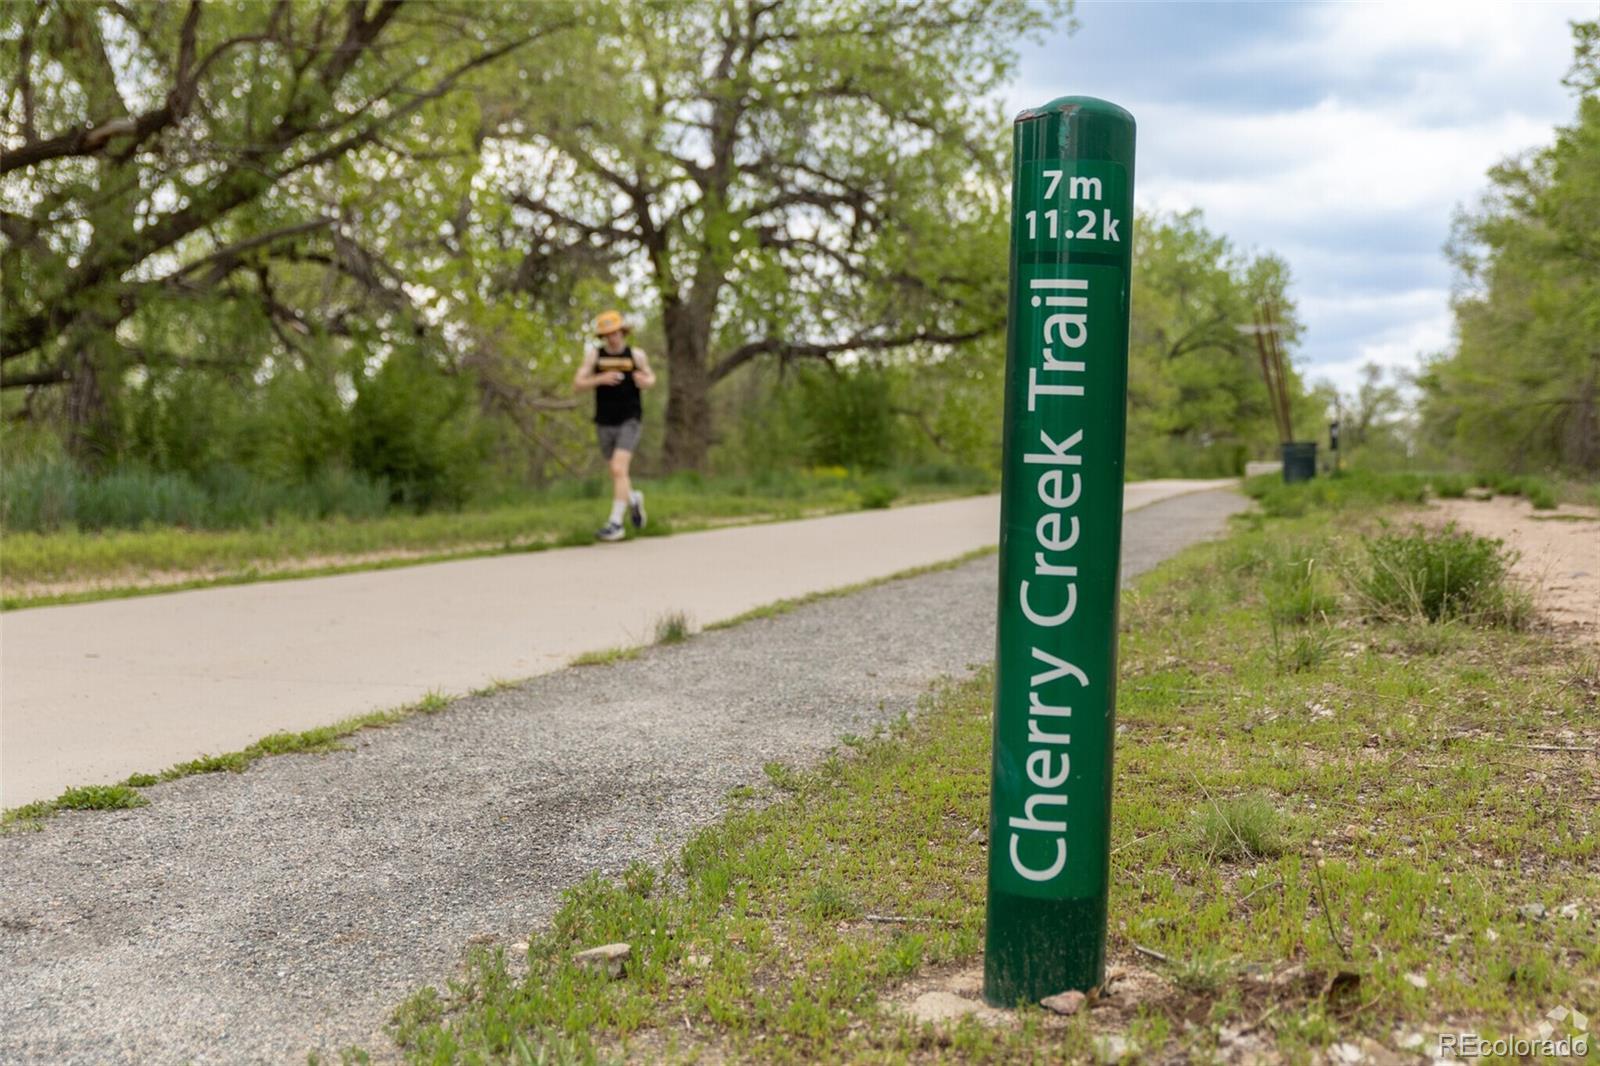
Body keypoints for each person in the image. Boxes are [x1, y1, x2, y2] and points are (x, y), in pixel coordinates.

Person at [573, 309, 656, 541]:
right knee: (616, 472)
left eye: (616, 332)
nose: (613, 337)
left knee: (619, 469)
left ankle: (616, 523)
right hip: (604, 421)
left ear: (622, 331)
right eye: (607, 334)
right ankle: (633, 500)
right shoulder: (595, 356)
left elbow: (651, 377)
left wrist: (644, 381)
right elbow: (577, 384)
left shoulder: (636, 355)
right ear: (603, 336)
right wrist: (599, 379)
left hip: (630, 419)